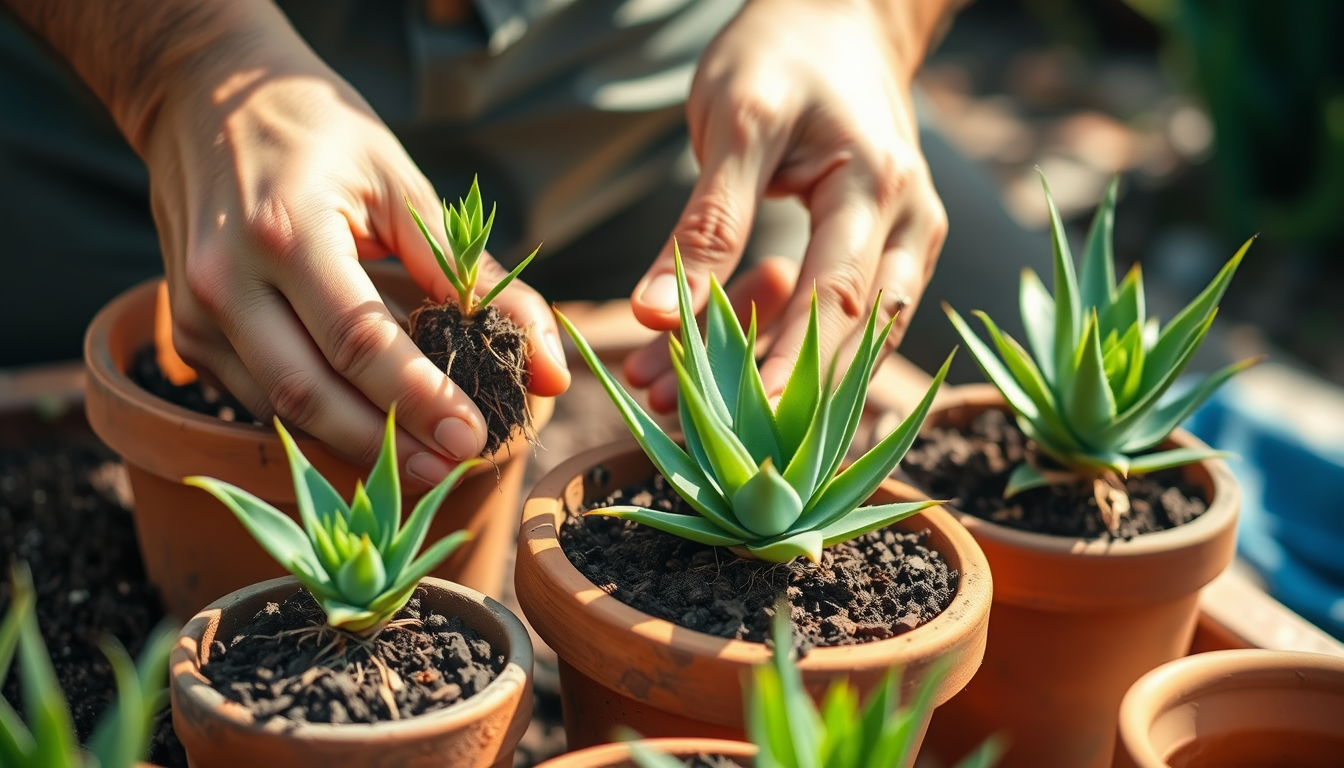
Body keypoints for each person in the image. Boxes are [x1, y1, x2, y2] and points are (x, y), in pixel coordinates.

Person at [0, 0, 1014, 486]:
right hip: (112, 102)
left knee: (1001, 391)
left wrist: (867, 20)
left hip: (680, 69)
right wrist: (179, 56)